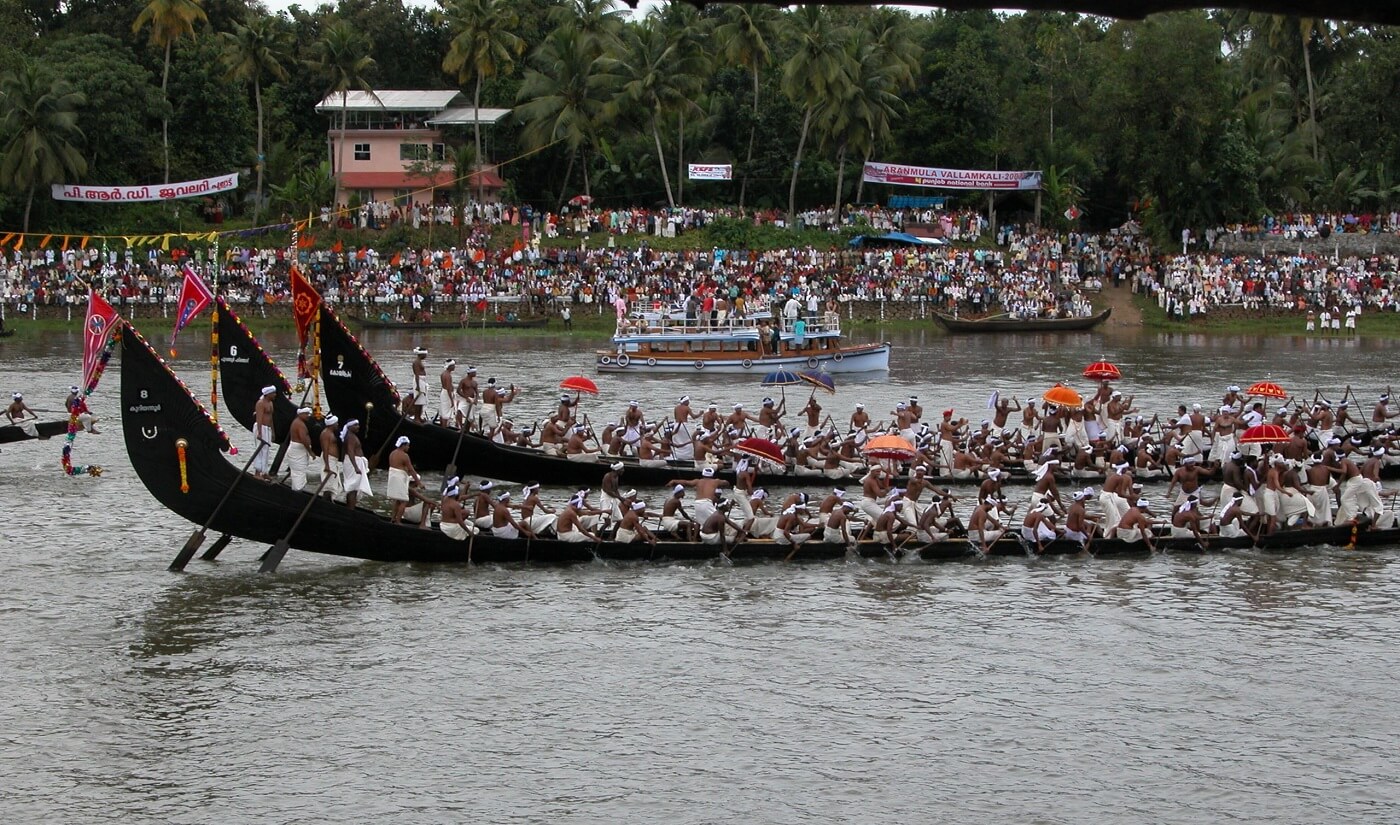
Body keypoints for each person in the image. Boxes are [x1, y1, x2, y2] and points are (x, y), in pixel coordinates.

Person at [386, 436, 424, 525]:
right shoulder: (404, 455)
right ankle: (398, 521)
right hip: (399, 478)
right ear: (403, 445)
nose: (408, 447)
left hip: (392, 477)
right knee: (404, 501)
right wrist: (419, 483)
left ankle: (392, 519)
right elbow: (411, 469)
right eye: (408, 445)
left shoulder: (392, 453)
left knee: (397, 499)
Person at [340, 419, 370, 508]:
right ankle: (351, 509)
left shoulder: (350, 436)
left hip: (353, 462)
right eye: (355, 425)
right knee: (353, 488)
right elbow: (350, 451)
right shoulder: (351, 437)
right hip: (354, 463)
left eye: (358, 425)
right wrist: (356, 467)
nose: (358, 427)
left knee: (354, 487)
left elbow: (344, 452)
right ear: (349, 426)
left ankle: (350, 507)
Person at [286, 406, 315, 492]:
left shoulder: (298, 422)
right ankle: (297, 493)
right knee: (299, 473)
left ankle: (297, 491)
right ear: (300, 414)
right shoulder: (299, 424)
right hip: (298, 451)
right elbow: (303, 439)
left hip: (298, 450)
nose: (308, 415)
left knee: (298, 473)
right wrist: (310, 452)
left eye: (308, 414)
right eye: (306, 414)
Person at [252, 385, 276, 479]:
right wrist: (259, 432)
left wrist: (273, 431)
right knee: (260, 450)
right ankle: (257, 473)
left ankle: (265, 472)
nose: (275, 395)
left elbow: (271, 418)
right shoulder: (260, 403)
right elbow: (259, 418)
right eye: (273, 393)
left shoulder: (270, 403)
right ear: (268, 394)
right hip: (260, 428)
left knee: (266, 450)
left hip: (268, 429)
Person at [319, 414, 342, 501]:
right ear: (332, 424)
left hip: (332, 460)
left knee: (333, 485)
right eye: (336, 423)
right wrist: (327, 465)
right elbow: (325, 450)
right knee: (329, 486)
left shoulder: (331, 433)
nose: (337, 425)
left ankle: (330, 501)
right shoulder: (326, 434)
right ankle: (325, 503)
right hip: (328, 459)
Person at [409, 347, 428, 423]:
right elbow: (417, 374)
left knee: (422, 401)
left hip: (422, 381)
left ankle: (419, 417)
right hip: (418, 381)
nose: (426, 356)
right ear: (421, 354)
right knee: (418, 400)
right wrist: (417, 386)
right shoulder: (416, 362)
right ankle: (416, 418)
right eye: (425, 355)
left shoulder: (420, 361)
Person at [438, 359, 457, 427]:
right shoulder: (448, 375)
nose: (455, 367)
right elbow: (448, 388)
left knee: (442, 411)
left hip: (443, 392)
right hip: (447, 394)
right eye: (453, 366)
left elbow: (443, 386)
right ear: (450, 366)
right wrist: (451, 400)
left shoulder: (443, 373)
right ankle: (444, 427)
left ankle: (441, 426)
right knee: (446, 412)